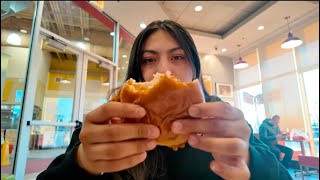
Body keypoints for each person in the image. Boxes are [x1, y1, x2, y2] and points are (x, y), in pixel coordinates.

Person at [37, 20, 292, 180]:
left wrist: (248, 161)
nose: (164, 70)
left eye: (178, 57)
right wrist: (82, 164)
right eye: (149, 59)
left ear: (195, 68)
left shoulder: (224, 123)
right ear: (138, 71)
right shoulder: (110, 123)